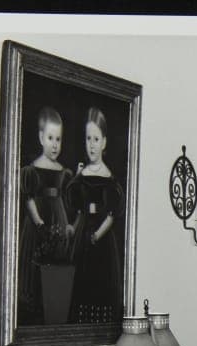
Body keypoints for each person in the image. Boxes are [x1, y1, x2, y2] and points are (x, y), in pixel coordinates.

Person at [65, 107, 124, 324]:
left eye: (96, 139)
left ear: (104, 142)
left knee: (101, 285)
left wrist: (98, 235)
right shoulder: (82, 175)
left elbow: (111, 214)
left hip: (102, 240)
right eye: (88, 138)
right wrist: (78, 175)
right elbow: (75, 203)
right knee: (83, 285)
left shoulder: (109, 179)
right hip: (84, 237)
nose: (91, 144)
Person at [17, 106, 74, 324]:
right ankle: (35, 309)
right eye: (50, 138)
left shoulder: (62, 170)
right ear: (41, 137)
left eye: (58, 139)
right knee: (36, 264)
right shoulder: (33, 170)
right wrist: (38, 221)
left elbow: (64, 200)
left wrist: (66, 224)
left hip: (57, 218)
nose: (54, 144)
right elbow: (29, 198)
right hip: (39, 222)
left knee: (56, 271)